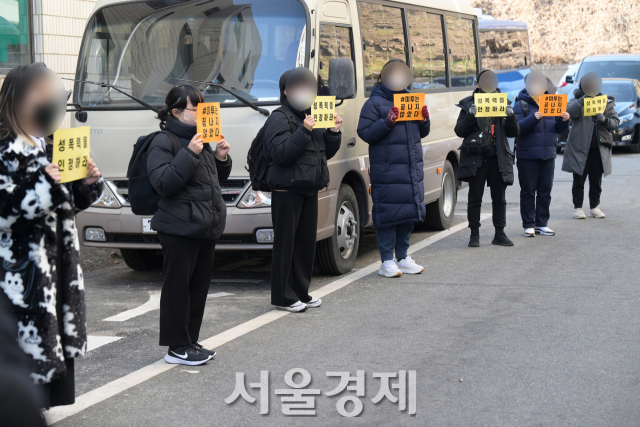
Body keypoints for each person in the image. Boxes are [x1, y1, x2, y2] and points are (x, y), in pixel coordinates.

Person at [0, 63, 103, 408]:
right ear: (18, 99)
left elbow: (64, 207)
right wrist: (44, 183)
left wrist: (86, 185)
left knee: (52, 352)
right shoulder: (4, 150)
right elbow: (6, 212)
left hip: (57, 268)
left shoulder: (53, 144)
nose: (50, 103)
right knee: (23, 362)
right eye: (40, 95)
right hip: (19, 278)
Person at [146, 85, 231, 365]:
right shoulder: (164, 141)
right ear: (177, 112)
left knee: (197, 287)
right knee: (177, 288)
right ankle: (176, 347)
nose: (205, 113)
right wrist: (190, 153)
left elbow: (210, 182)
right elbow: (164, 183)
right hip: (178, 227)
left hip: (203, 225)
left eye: (205, 107)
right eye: (198, 109)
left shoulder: (200, 140)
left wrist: (220, 158)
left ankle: (189, 341)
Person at [264, 67, 342, 312]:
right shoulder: (279, 117)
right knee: (286, 244)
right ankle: (283, 297)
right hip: (287, 191)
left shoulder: (312, 114)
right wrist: (304, 130)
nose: (303, 93)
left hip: (309, 187)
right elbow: (280, 153)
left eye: (308, 88)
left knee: (306, 244)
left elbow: (324, 152)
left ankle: (301, 292)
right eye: (297, 88)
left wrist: (333, 131)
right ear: (285, 91)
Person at [357, 59, 430, 278]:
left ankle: (404, 257)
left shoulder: (411, 100)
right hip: (387, 170)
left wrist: (424, 120)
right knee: (388, 214)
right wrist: (387, 122)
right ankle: (386, 261)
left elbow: (421, 134)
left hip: (410, 168)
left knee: (408, 213)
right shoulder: (374, 103)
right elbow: (365, 133)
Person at [455, 70, 520, 247]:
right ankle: (474, 234)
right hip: (476, 157)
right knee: (475, 197)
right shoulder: (469, 103)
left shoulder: (503, 102)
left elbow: (514, 132)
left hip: (497, 156)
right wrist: (470, 115)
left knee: (499, 197)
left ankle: (500, 233)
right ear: (478, 84)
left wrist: (511, 115)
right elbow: (459, 131)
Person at [513, 71, 570, 237]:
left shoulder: (552, 102)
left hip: (548, 154)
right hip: (527, 156)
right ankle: (528, 224)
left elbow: (558, 129)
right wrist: (534, 118)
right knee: (528, 191)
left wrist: (564, 120)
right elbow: (517, 129)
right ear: (527, 85)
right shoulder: (521, 105)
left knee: (545, 191)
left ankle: (542, 223)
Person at [562, 72, 619, 219]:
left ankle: (595, 207)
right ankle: (578, 208)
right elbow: (569, 114)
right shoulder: (576, 101)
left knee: (596, 180)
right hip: (580, 148)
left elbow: (615, 122)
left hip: (599, 148)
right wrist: (582, 101)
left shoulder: (605, 101)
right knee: (578, 179)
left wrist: (605, 120)